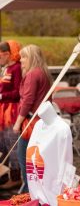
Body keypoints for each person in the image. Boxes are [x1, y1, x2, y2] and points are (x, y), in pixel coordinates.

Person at [12, 44, 52, 193]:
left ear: (32, 58)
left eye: (24, 57)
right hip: (42, 122)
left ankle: (28, 193)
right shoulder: (42, 72)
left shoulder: (33, 74)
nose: (21, 60)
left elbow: (28, 101)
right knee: (37, 161)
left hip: (31, 124)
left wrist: (17, 124)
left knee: (25, 160)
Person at [0, 41, 22, 189]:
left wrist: (1, 96)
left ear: (8, 54)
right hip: (3, 112)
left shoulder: (17, 68)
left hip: (12, 112)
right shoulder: (6, 68)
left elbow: (18, 92)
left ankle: (15, 178)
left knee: (12, 144)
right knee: (3, 144)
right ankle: (3, 175)